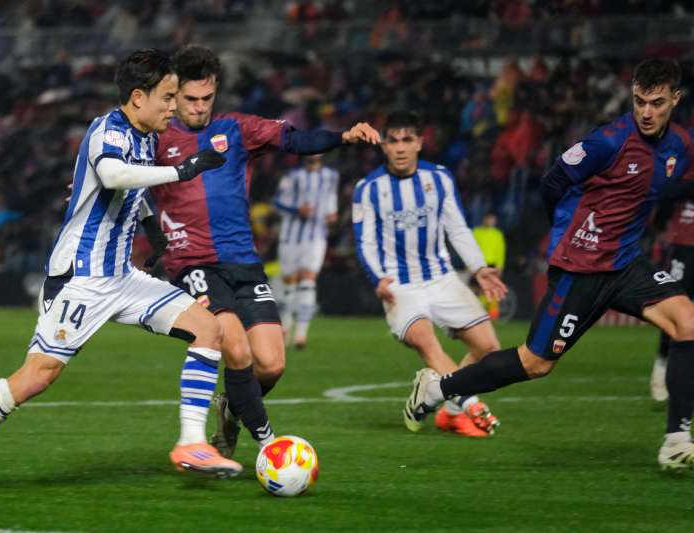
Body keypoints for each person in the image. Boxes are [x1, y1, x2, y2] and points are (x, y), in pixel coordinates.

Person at [0, 49, 240, 494]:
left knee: (208, 329)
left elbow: (132, 185)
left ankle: (191, 443)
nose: (174, 106)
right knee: (37, 377)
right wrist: (181, 170)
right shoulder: (107, 129)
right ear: (138, 96)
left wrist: (152, 231)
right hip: (80, 278)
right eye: (167, 97)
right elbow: (111, 174)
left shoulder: (146, 136)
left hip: (122, 277)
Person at [409, 58, 694, 470]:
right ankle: (437, 390)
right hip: (580, 268)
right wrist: (567, 236)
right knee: (536, 363)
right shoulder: (607, 142)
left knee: (686, 321)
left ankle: (676, 439)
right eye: (639, 101)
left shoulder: (681, 146)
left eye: (656, 103)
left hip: (627, 264)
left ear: (675, 100)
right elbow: (552, 182)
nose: (646, 112)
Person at [147, 44, 380, 458]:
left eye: (207, 98)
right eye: (190, 99)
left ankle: (231, 409)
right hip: (192, 263)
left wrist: (342, 137)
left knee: (271, 364)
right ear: (173, 94)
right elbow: (121, 174)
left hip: (243, 261)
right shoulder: (156, 137)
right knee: (233, 346)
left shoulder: (237, 129)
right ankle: (268, 444)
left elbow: (294, 139)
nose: (199, 108)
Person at [352, 111, 507, 437]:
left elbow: (458, 228)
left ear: (420, 143)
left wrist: (479, 268)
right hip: (400, 286)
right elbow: (364, 241)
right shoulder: (369, 188)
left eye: (407, 140)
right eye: (393, 141)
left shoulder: (439, 178)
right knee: (427, 343)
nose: (400, 148)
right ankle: (471, 405)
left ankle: (438, 397)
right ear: (384, 146)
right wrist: (377, 277)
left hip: (442, 278)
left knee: (488, 347)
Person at [273, 154, 339, 349]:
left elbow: (331, 197)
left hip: (316, 236)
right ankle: (286, 326)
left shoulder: (331, 175)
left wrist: (332, 213)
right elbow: (276, 203)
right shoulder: (291, 176)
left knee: (308, 280)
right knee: (290, 284)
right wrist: (296, 210)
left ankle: (301, 334)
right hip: (289, 237)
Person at [650, 195, 694, 401]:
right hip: (685, 243)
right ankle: (661, 369)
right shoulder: (685, 168)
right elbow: (671, 190)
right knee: (676, 307)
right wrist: (661, 225)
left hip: (683, 241)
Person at [472, 212, 506, 319]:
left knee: (492, 289)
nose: (491, 221)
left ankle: (492, 314)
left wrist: (500, 266)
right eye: (489, 219)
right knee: (476, 289)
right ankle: (477, 312)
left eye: (493, 219)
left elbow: (500, 251)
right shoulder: (476, 232)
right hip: (478, 264)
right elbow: (471, 248)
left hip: (492, 265)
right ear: (484, 220)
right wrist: (470, 266)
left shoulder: (497, 234)